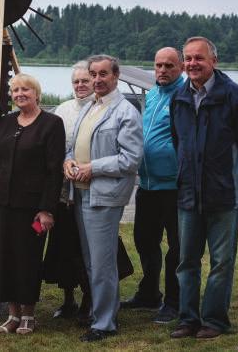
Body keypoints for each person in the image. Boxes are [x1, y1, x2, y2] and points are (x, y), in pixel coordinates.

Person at [169, 37, 238, 340]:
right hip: (187, 195)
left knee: (221, 263)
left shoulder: (236, 97)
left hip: (222, 196)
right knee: (187, 261)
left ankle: (214, 320)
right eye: (188, 59)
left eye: (199, 58)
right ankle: (187, 319)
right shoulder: (179, 97)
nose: (193, 64)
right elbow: (178, 141)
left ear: (214, 61)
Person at [64, 54, 144, 342]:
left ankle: (105, 323)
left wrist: (92, 168)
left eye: (103, 74)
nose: (97, 80)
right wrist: (69, 161)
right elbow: (75, 145)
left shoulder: (125, 111)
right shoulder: (91, 107)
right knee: (90, 261)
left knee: (102, 263)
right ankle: (99, 313)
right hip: (81, 193)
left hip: (104, 196)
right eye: (93, 74)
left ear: (116, 76)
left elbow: (131, 159)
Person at [0, 73, 63, 335]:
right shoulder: (5, 123)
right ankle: (12, 314)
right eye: (15, 90)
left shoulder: (51, 124)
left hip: (32, 208)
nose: (20, 94)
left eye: (25, 90)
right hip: (2, 205)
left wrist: (46, 208)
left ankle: (29, 314)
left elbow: (54, 171)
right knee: (4, 259)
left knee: (27, 259)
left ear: (36, 93)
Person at [122, 47, 184, 324]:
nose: (162, 70)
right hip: (146, 184)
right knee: (145, 241)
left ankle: (174, 301)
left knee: (177, 248)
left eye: (169, 65)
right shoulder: (155, 94)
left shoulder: (186, 95)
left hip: (174, 186)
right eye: (158, 65)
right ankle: (149, 293)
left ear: (180, 67)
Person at [43, 61, 93, 323]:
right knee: (63, 246)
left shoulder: (100, 108)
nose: (80, 86)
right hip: (63, 191)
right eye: (76, 82)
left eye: (85, 80)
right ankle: (68, 298)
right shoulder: (62, 109)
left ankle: (90, 296)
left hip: (89, 189)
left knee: (86, 247)